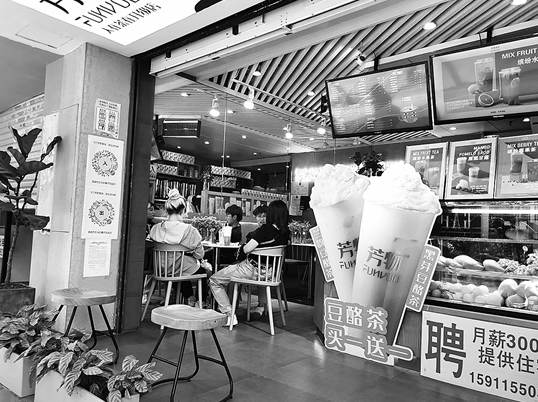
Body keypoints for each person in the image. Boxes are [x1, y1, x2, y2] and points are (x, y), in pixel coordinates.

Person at [209, 200, 290, 326]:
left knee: (214, 280)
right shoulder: (286, 233)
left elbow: (247, 249)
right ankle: (260, 306)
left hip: (252, 270)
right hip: (271, 273)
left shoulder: (265, 229)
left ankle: (229, 315)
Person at [147, 189, 212, 307]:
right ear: (183, 210)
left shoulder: (155, 228)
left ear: (167, 210)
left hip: (161, 269)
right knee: (200, 270)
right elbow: (200, 255)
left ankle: (189, 297)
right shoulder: (189, 230)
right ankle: (200, 302)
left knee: (179, 266)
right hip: (179, 268)